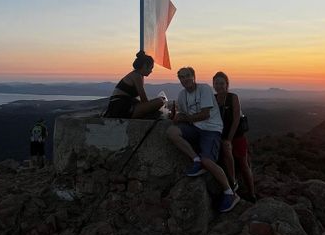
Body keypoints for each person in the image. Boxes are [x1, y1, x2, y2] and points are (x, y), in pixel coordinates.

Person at [167, 66, 239, 213]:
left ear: (194, 77)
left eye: (187, 76)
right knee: (172, 131)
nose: (185, 79)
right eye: (181, 77)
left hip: (211, 129)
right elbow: (182, 115)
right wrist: (177, 118)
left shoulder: (204, 89)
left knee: (208, 160)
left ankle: (229, 192)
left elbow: (205, 114)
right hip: (195, 128)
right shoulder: (182, 95)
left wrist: (185, 118)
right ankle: (196, 160)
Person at [213, 71, 256, 202]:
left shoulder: (233, 97)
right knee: (224, 161)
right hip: (221, 136)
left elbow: (236, 119)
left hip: (236, 136)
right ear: (213, 85)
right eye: (216, 83)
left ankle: (252, 194)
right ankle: (232, 185)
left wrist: (229, 139)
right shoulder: (213, 99)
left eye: (222, 83)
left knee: (243, 164)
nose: (219, 86)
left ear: (227, 84)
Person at [104, 52, 166, 119]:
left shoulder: (137, 75)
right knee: (160, 101)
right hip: (121, 109)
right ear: (145, 66)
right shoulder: (137, 76)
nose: (151, 71)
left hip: (121, 107)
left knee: (158, 103)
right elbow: (144, 99)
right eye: (151, 68)